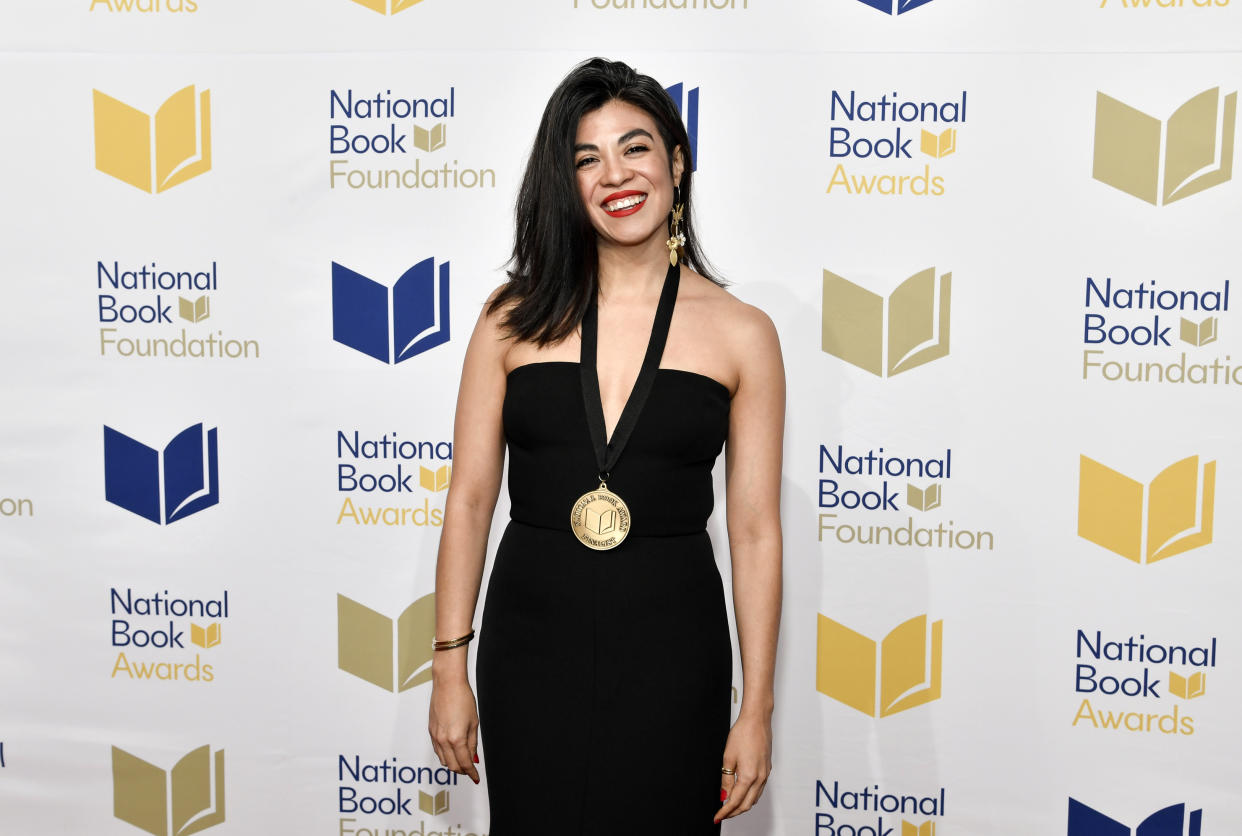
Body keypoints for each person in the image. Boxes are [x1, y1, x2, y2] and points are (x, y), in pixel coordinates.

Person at [428, 57, 784, 835]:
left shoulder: (743, 333)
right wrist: (449, 665)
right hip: (530, 644)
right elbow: (469, 499)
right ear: (564, 179)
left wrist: (756, 708)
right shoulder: (510, 318)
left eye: (636, 148)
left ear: (677, 162)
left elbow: (755, 530)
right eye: (586, 158)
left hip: (673, 651)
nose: (614, 175)